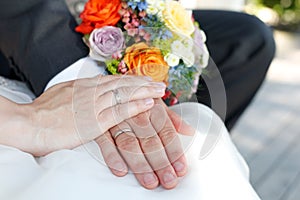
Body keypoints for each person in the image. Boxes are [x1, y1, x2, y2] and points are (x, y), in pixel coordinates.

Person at [0, 0, 274, 192]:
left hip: (109, 17)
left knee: (249, 40)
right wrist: (88, 86)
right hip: (31, 30)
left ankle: (164, 147)